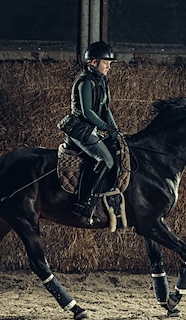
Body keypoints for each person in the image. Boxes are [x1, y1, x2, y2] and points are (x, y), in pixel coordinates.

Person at [58, 41, 119, 222]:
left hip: (90, 129)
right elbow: (87, 112)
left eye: (110, 63)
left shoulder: (102, 81)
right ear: (93, 62)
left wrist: (114, 128)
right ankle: (84, 202)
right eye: (105, 62)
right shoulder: (85, 82)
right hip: (79, 129)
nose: (109, 66)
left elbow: (105, 108)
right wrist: (105, 127)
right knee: (105, 159)